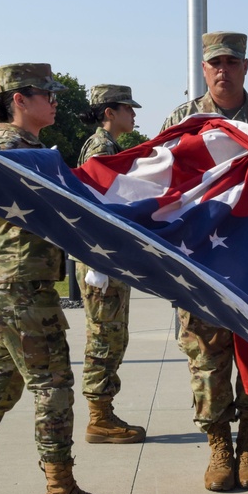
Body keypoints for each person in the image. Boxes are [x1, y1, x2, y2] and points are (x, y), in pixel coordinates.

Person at [0, 63, 116, 494]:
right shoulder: (9, 147)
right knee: (53, 385)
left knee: (1, 382)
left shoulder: (27, 146)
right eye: (46, 94)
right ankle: (61, 488)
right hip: (19, 283)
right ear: (19, 99)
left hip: (16, 280)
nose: (55, 102)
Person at [161, 31, 248, 492]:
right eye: (215, 62)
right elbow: (165, 188)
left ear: (245, 67)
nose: (223, 70)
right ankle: (220, 448)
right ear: (204, 69)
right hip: (202, 260)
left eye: (232, 62)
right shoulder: (183, 118)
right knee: (206, 358)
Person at [73, 84, 147, 444]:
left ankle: (102, 411)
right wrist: (96, 260)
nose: (133, 115)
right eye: (127, 109)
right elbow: (93, 202)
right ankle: (99, 417)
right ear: (109, 112)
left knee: (112, 334)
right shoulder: (101, 147)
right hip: (100, 256)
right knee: (105, 335)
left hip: (105, 254)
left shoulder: (107, 145)